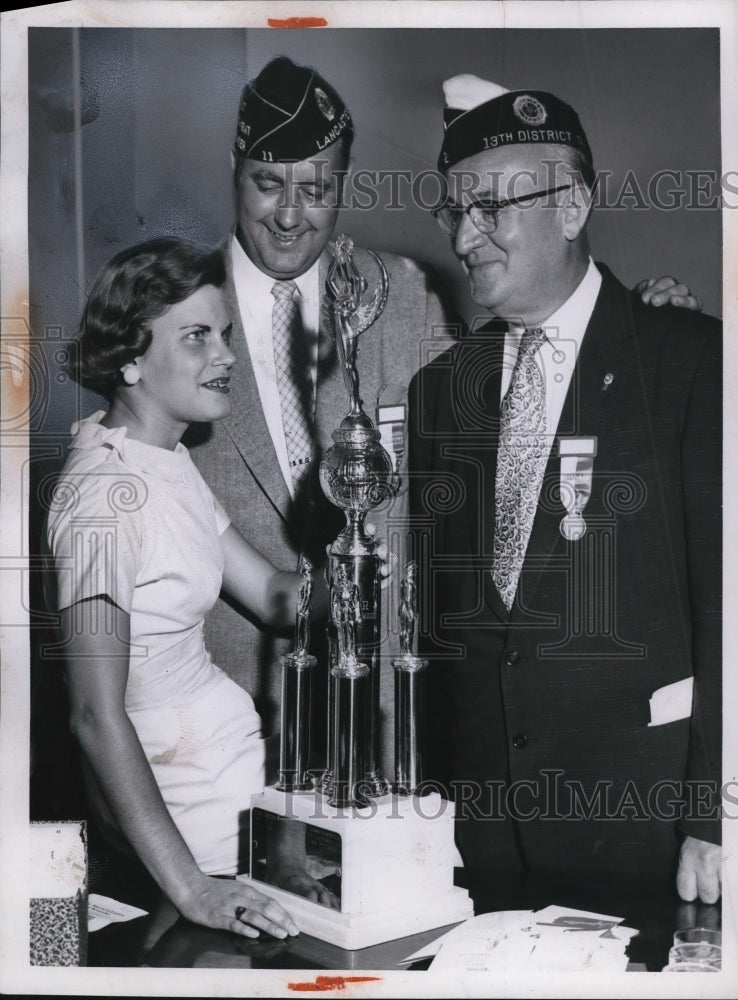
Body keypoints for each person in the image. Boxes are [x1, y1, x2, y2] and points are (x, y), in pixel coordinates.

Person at [187, 55, 703, 772]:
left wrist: (641, 325)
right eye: (268, 182)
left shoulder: (402, 292)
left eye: (316, 188)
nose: (289, 213)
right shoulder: (174, 309)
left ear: (344, 186)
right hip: (229, 721)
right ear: (235, 172)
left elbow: (537, 379)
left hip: (398, 726)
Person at [408, 76, 721, 902]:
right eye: (453, 211)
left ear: (572, 206)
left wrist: (714, 819)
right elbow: (451, 629)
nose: (464, 236)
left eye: (489, 208)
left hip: (642, 820)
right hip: (479, 834)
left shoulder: (687, 363)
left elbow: (734, 611)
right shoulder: (442, 389)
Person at [46, 237, 334, 939]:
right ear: (130, 358)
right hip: (188, 842)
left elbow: (275, 597)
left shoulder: (162, 461)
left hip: (244, 817)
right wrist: (194, 888)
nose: (226, 356)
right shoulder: (102, 496)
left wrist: (365, 555)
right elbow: (93, 715)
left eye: (226, 335)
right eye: (197, 337)